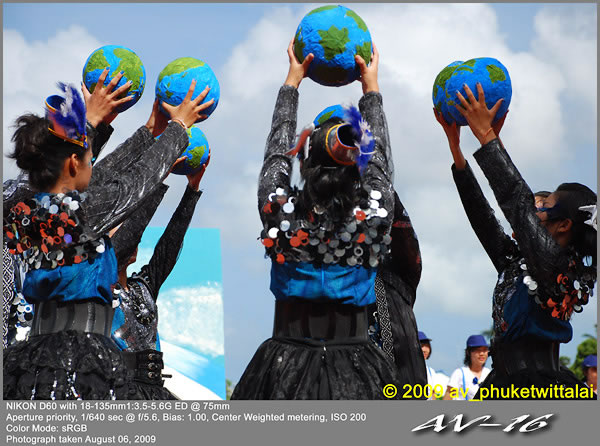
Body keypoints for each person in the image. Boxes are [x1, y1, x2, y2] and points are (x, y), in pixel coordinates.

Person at [3, 71, 212, 399]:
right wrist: (178, 128)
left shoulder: (41, 208)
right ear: (74, 163)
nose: (95, 164)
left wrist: (149, 131)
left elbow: (103, 178)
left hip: (52, 353)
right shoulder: (74, 214)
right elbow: (134, 183)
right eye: (90, 157)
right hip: (73, 364)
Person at [231, 41, 402, 399]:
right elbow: (379, 161)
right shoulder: (375, 212)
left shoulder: (280, 211)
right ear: (357, 169)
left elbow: (276, 156)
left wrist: (291, 83)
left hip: (283, 366)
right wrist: (371, 89)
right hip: (359, 369)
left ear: (307, 163)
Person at [435, 82, 597, 399]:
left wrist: (487, 137)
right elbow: (484, 221)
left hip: (539, 390)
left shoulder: (558, 266)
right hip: (502, 384)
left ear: (564, 225)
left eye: (544, 205)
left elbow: (517, 202)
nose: (535, 209)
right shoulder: (520, 264)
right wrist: (458, 153)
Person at [110, 157, 208, 399]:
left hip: (154, 393)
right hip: (118, 391)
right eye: (124, 233)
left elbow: (170, 244)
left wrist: (191, 191)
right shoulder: (98, 289)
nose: (134, 239)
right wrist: (158, 177)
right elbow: (132, 232)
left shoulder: (144, 286)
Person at [370, 193, 427, 398]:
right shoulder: (339, 277)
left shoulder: (400, 274)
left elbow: (404, 233)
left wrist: (375, 180)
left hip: (404, 387)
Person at [443, 335, 491, 401]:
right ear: (468, 352)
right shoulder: (459, 374)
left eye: (485, 350)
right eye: (478, 350)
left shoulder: (489, 373)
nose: (482, 354)